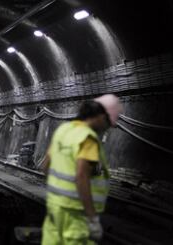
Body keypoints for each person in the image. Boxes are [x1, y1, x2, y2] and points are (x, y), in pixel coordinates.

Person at [41, 94, 122, 245]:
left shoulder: (63, 130)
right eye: (108, 121)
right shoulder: (87, 138)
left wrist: (58, 193)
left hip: (55, 208)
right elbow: (81, 177)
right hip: (77, 214)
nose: (108, 127)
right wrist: (92, 219)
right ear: (100, 116)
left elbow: (45, 165)